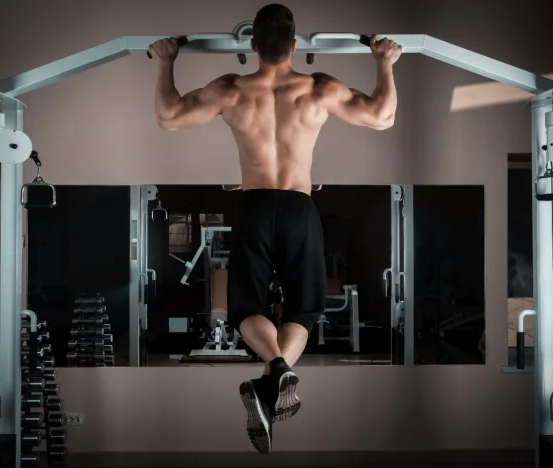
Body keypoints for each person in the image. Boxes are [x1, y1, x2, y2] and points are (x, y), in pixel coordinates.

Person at [150, 3, 401, 454]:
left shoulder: (230, 89)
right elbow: (383, 116)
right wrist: (383, 62)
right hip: (300, 205)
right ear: (293, 44)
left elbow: (168, 116)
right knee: (304, 310)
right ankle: (277, 373)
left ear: (252, 43)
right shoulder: (320, 88)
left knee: (246, 307)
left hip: (254, 202)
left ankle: (275, 376)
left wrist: (167, 61)